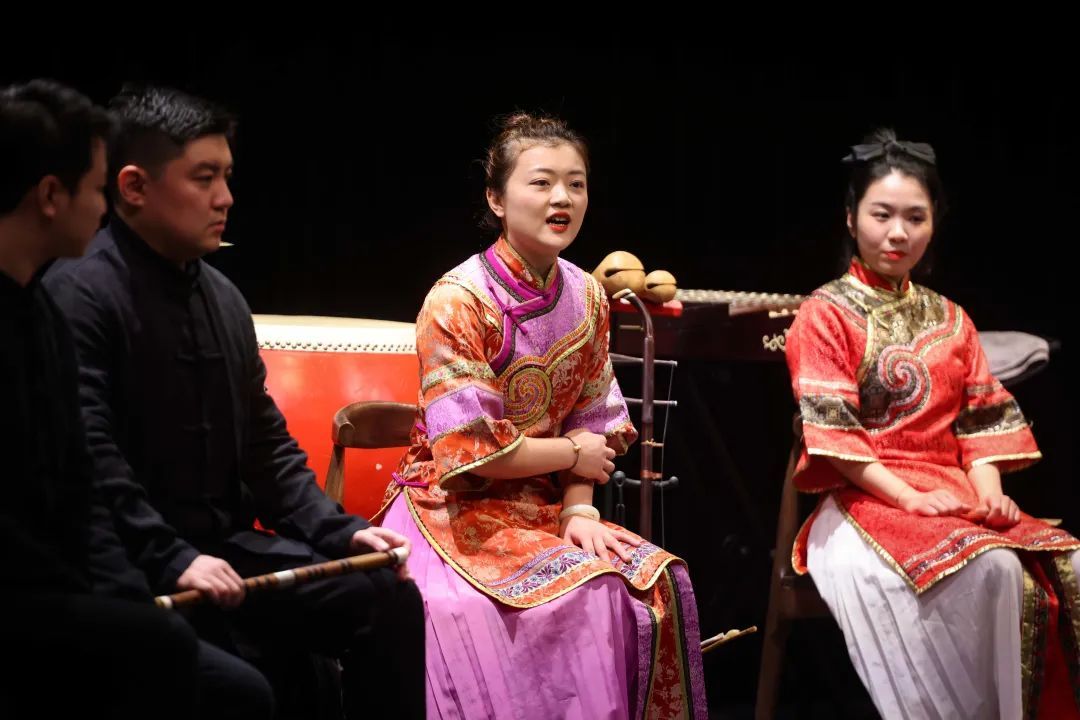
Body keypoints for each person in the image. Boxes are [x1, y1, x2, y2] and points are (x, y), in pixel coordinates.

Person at [45, 84, 423, 719]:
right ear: (134, 186)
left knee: (384, 594)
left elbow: (266, 449)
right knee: (244, 686)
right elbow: (92, 459)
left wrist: (342, 532)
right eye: (204, 178)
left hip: (221, 546)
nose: (225, 197)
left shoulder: (222, 298)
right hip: (126, 558)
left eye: (226, 176)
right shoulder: (80, 294)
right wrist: (173, 557)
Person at [376, 112, 708, 719]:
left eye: (576, 184)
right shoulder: (457, 300)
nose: (562, 198)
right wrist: (572, 454)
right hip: (450, 507)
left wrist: (580, 508)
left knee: (654, 582)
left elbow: (594, 419)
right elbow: (471, 452)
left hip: (545, 505)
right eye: (541, 182)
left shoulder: (586, 295)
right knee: (570, 593)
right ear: (496, 199)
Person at [785, 128, 1080, 719]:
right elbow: (836, 438)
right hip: (865, 499)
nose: (898, 232)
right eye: (882, 215)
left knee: (1071, 564)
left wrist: (989, 495)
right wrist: (908, 498)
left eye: (915, 217)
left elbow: (982, 424)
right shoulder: (824, 313)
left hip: (953, 495)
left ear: (933, 224)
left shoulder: (952, 317)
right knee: (995, 566)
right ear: (851, 218)